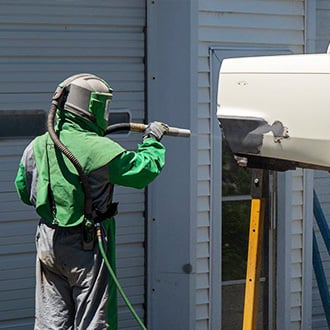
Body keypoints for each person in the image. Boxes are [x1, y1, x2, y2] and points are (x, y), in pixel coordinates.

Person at [14, 73, 168, 330]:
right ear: (92, 106)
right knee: (94, 321)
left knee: (51, 321)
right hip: (86, 245)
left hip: (48, 242)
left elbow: (23, 190)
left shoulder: (38, 145)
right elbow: (143, 171)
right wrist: (151, 141)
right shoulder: (98, 149)